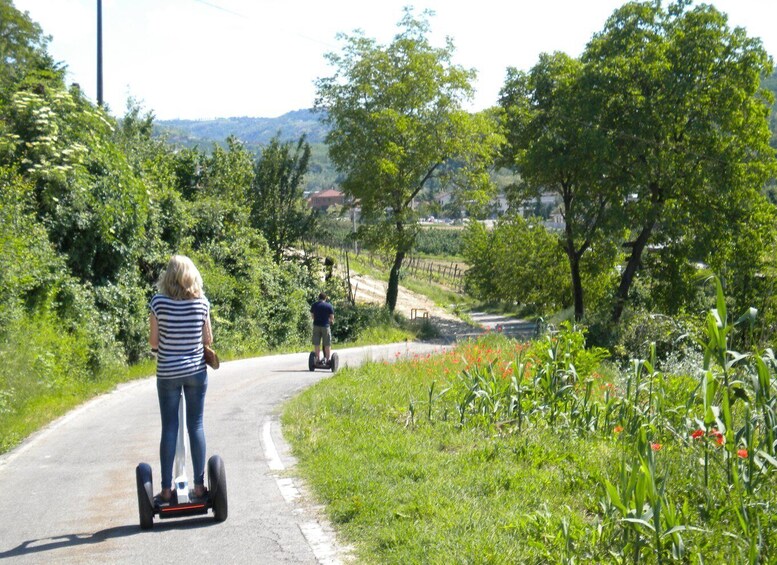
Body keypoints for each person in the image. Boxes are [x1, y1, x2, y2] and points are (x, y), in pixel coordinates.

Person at [149, 255, 213, 505]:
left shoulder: (158, 303)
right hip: (196, 371)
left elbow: (154, 342)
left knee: (169, 427)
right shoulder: (202, 303)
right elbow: (207, 339)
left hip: (167, 372)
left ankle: (166, 489)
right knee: (195, 425)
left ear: (168, 277)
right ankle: (199, 486)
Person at [310, 292, 334, 364]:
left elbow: (312, 315)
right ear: (325, 298)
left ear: (318, 298)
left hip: (316, 325)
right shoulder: (328, 306)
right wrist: (331, 322)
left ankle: (317, 359)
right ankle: (327, 359)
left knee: (317, 343)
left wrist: (316, 320)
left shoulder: (314, 305)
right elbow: (332, 317)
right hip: (325, 326)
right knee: (327, 343)